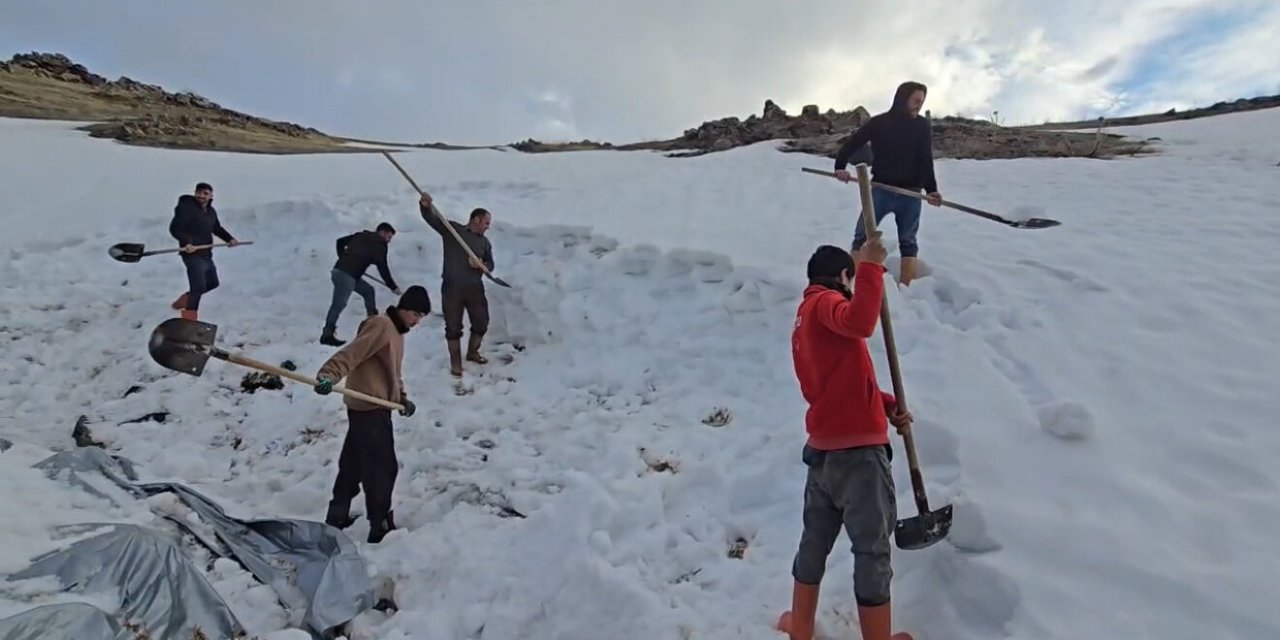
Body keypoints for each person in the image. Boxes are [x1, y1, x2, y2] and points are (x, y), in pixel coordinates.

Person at [778, 235, 915, 640]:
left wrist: (885, 405)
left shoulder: (805, 318)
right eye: (851, 280)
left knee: (814, 543)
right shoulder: (826, 304)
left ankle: (800, 624)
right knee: (871, 550)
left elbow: (841, 383)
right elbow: (861, 322)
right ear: (842, 276)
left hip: (823, 454)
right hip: (859, 460)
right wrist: (872, 265)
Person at [314, 285, 431, 543]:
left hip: (372, 406)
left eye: (422, 317)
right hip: (371, 408)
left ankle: (337, 516)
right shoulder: (380, 325)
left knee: (352, 466)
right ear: (404, 308)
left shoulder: (397, 333)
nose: (418, 321)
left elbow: (392, 371)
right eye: (416, 314)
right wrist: (328, 375)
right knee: (382, 468)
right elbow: (353, 353)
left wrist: (401, 397)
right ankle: (379, 525)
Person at [832, 80, 942, 286]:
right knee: (861, 236)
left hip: (911, 193)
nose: (919, 105)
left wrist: (932, 190)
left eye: (922, 101)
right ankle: (850, 286)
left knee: (908, 241)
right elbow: (853, 143)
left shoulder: (921, 126)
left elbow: (925, 159)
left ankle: (907, 288)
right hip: (881, 189)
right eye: (916, 100)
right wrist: (840, 167)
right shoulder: (880, 122)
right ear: (903, 98)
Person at [416, 191, 494, 377]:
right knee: (453, 327)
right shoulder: (454, 231)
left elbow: (490, 264)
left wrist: (481, 265)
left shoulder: (484, 243)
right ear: (476, 219)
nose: (488, 227)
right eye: (486, 222)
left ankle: (473, 352)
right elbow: (434, 221)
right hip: (452, 288)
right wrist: (425, 207)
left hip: (475, 288)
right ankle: (456, 363)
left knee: (482, 322)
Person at [322, 222, 402, 346]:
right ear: (382, 232)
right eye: (389, 236)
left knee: (368, 291)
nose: (389, 240)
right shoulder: (380, 246)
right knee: (339, 304)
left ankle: (372, 321)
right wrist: (393, 286)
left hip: (341, 272)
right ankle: (327, 334)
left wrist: (343, 258)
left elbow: (340, 242)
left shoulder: (360, 235)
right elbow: (383, 269)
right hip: (347, 276)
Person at [168, 182, 240, 320]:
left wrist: (229, 239)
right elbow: (175, 228)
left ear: (211, 196)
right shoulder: (186, 208)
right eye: (199, 193)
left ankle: (185, 300)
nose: (201, 196)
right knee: (198, 286)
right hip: (191, 253)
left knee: (213, 283)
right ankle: (189, 319)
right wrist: (187, 242)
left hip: (206, 253)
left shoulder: (211, 212)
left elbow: (216, 228)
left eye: (205, 193)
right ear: (195, 193)